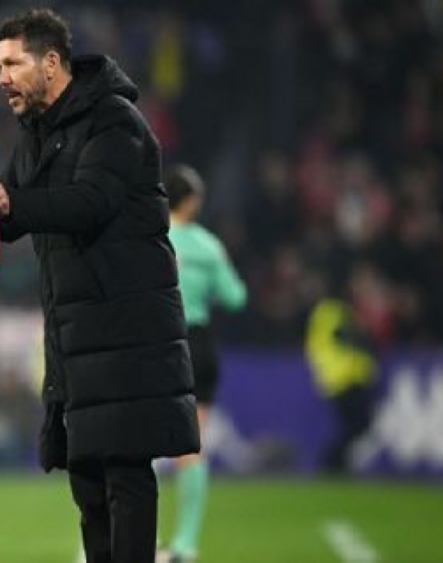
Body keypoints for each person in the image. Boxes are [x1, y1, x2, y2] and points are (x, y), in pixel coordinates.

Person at [0, 8, 199, 563]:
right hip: (76, 334)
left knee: (125, 472)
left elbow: (90, 203)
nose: (0, 77)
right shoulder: (39, 134)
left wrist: (11, 197)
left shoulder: (114, 121)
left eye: (12, 63)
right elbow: (13, 218)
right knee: (88, 479)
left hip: (128, 328)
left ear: (51, 62)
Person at [157, 165, 247, 563]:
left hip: (161, 342)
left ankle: (139, 535)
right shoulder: (209, 246)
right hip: (201, 345)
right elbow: (235, 296)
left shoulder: (156, 237)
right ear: (192, 201)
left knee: (139, 441)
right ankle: (187, 544)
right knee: (191, 447)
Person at [304, 285, 377, 474]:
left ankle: (336, 463)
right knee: (358, 424)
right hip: (343, 378)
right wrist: (361, 332)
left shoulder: (327, 310)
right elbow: (342, 336)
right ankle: (331, 461)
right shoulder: (332, 310)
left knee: (354, 425)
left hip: (341, 378)